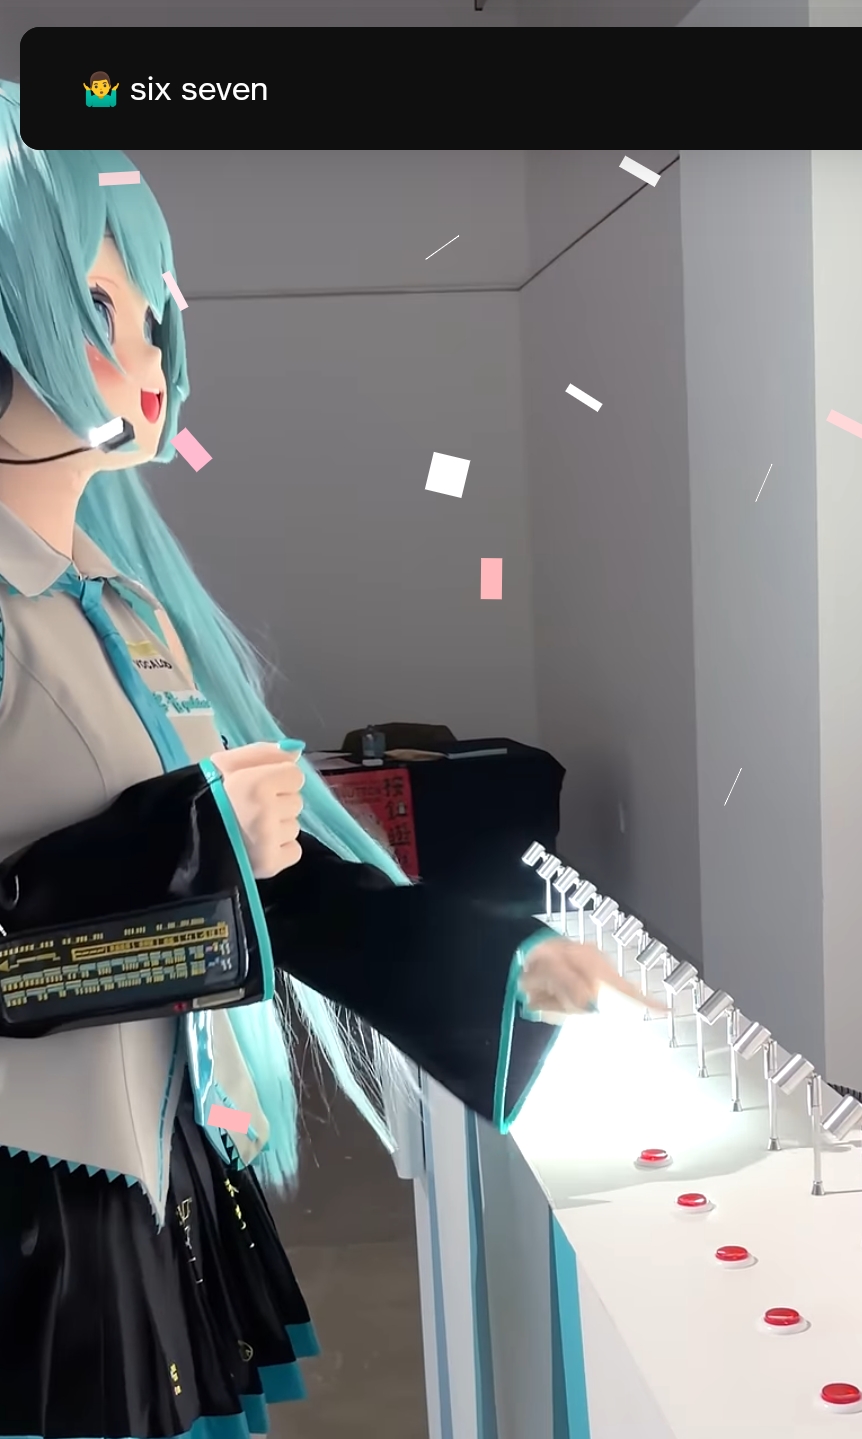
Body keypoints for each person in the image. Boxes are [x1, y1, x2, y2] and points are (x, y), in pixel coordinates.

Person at [0, 82, 661, 1439]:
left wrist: (494, 969)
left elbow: (267, 890)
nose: (142, 356)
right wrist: (189, 843)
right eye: (91, 305)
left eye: (147, 309)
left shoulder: (122, 607)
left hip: (154, 1171)